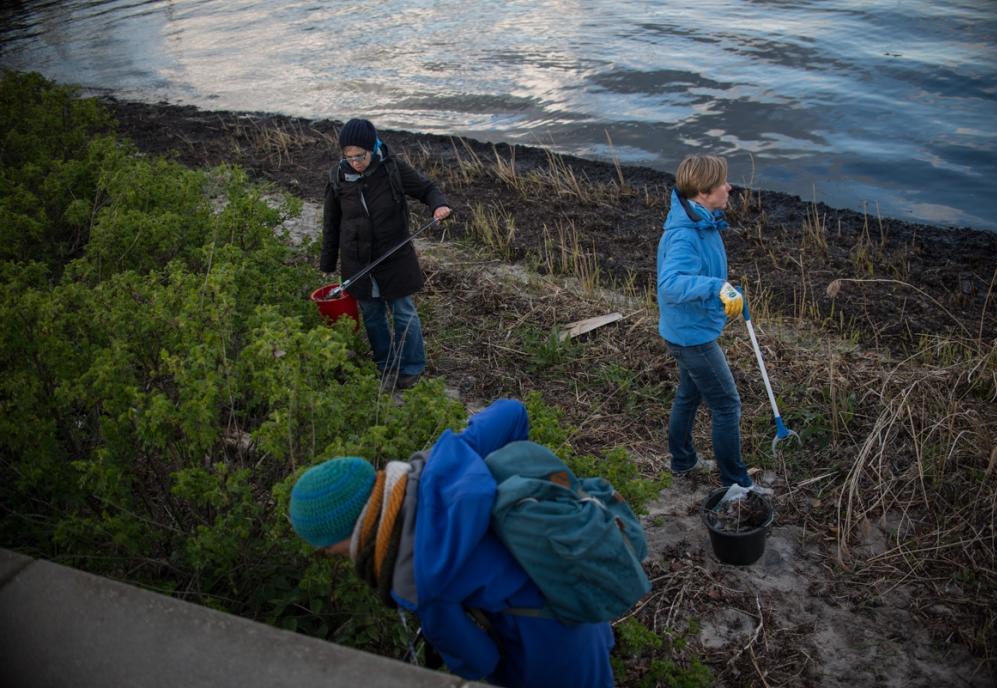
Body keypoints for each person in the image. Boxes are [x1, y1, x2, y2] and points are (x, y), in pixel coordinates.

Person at [288, 399, 615, 688]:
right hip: (579, 588)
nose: (328, 555)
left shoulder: (411, 578)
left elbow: (479, 661)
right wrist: (513, 493)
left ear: (345, 536)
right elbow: (513, 413)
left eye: (325, 548)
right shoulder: (438, 466)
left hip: (545, 651)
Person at [656, 154, 772, 495]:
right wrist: (715, 287)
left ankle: (682, 461)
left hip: (687, 329)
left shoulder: (701, 219)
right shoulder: (686, 235)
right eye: (723, 182)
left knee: (689, 395)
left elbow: (700, 272)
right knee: (726, 405)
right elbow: (671, 284)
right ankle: (737, 484)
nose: (729, 187)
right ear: (704, 191)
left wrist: (724, 287)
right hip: (692, 337)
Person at [321, 118, 452, 390]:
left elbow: (427, 189)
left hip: (395, 256)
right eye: (350, 156)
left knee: (404, 312)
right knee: (372, 316)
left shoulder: (392, 168)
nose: (356, 161)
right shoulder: (337, 178)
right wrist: (327, 263)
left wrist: (438, 206)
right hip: (357, 261)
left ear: (373, 147)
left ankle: (412, 368)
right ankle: (386, 366)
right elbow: (331, 225)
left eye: (361, 155)